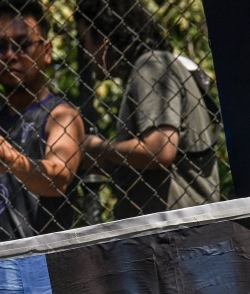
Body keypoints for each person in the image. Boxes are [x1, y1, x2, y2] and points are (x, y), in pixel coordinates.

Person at [0, 1, 85, 247]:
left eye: (23, 45)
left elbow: (59, 177)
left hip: (36, 261)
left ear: (47, 51)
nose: (9, 55)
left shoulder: (61, 115)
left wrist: (11, 161)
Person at [75, 0, 219, 219]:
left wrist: (98, 147)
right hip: (181, 224)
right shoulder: (154, 67)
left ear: (104, 40)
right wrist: (110, 163)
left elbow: (160, 150)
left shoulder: (150, 67)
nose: (86, 53)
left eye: (85, 41)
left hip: (178, 226)